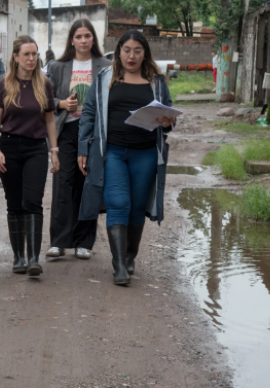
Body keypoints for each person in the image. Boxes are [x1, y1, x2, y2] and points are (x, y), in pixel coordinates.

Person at [77, 30, 175, 286]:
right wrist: (83, 148)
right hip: (113, 152)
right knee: (118, 201)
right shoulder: (105, 78)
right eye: (127, 50)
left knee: (136, 205)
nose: (132, 56)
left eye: (138, 51)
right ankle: (119, 263)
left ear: (145, 54)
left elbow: (168, 117)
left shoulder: (157, 82)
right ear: (119, 51)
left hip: (145, 153)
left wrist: (166, 123)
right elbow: (88, 113)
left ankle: (130, 256)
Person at [0, 35, 59, 278]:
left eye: (35, 54)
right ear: (16, 57)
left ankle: (33, 259)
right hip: (9, 147)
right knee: (15, 203)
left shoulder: (45, 84)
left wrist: (54, 151)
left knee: (33, 202)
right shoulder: (4, 84)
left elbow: (50, 120)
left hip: (35, 148)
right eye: (27, 54)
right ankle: (18, 257)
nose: (32, 59)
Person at [46, 19, 110, 261]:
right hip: (66, 129)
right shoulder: (58, 66)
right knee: (63, 183)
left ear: (93, 39)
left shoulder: (105, 66)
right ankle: (59, 242)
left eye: (87, 36)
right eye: (79, 36)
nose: (83, 40)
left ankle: (84, 242)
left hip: (93, 132)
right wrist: (62, 103)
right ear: (71, 40)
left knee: (88, 185)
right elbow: (45, 100)